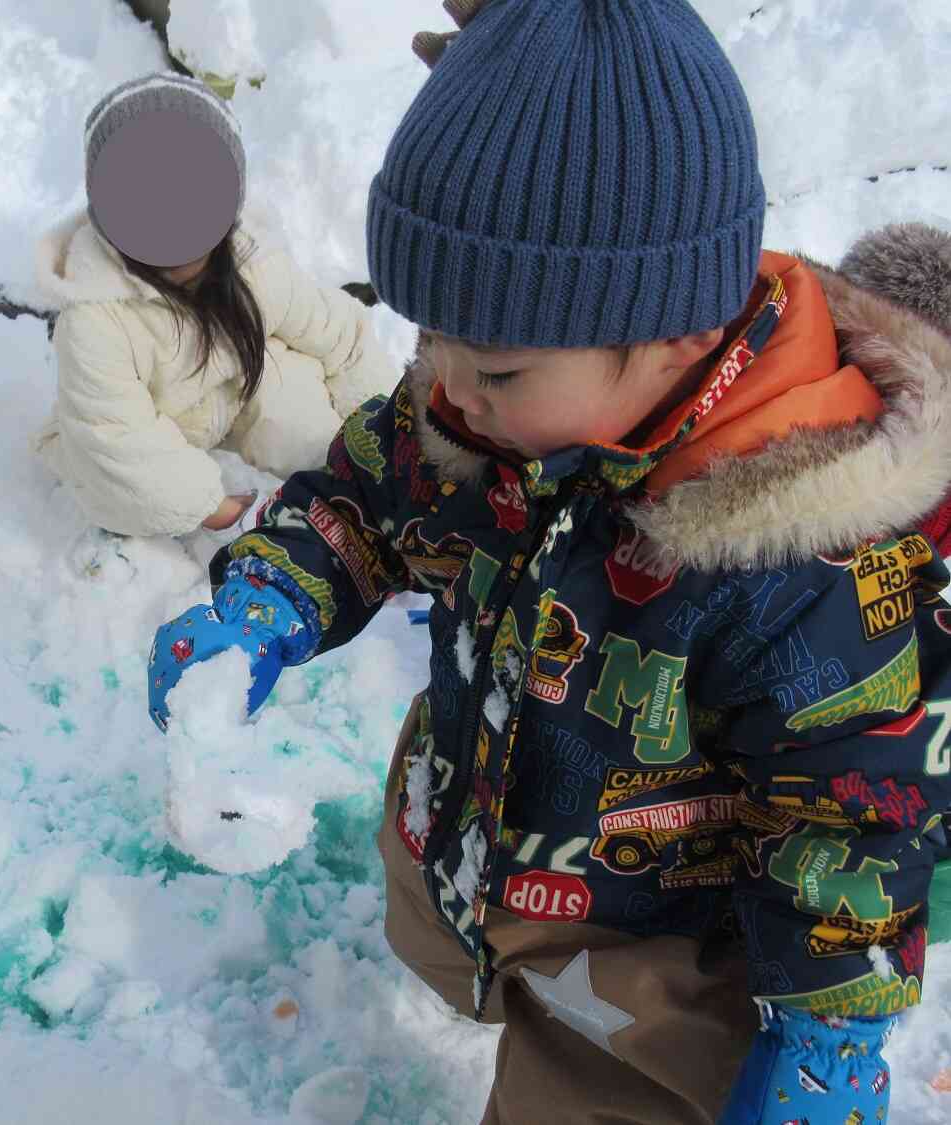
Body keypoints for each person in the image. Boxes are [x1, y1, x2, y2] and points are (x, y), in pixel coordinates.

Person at [146, 3, 951, 1122]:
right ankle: (474, 957)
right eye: (427, 336)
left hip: (646, 939)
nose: (444, 383)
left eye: (497, 367)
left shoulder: (803, 560)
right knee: (437, 925)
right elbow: (363, 499)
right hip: (476, 804)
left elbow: (852, 807)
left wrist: (831, 1023)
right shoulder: (476, 411)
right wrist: (278, 591)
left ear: (673, 331)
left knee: (606, 1089)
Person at [33, 73, 399, 540]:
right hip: (134, 427)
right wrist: (219, 508)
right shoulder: (95, 317)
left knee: (299, 408)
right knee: (112, 483)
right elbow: (117, 437)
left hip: (227, 391)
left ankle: (363, 501)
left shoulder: (253, 266)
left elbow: (343, 339)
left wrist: (387, 449)